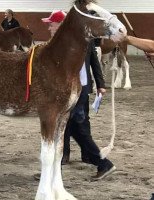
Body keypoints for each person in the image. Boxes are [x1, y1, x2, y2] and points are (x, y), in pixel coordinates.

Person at [42, 10, 116, 180]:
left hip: (77, 90)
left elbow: (92, 62)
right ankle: (56, 169)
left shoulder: (72, 41)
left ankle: (103, 163)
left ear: (61, 24)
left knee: (77, 130)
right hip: (73, 89)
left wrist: (100, 83)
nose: (49, 27)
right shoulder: (68, 40)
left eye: (51, 24)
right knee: (68, 129)